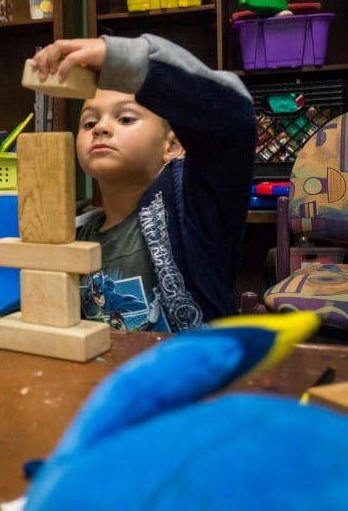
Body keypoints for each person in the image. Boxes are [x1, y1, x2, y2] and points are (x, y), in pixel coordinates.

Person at [30, 34, 256, 332]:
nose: (100, 128)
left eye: (124, 118)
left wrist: (124, 59)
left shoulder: (191, 208)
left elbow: (233, 119)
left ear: (173, 145)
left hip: (190, 375)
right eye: (88, 123)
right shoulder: (75, 232)